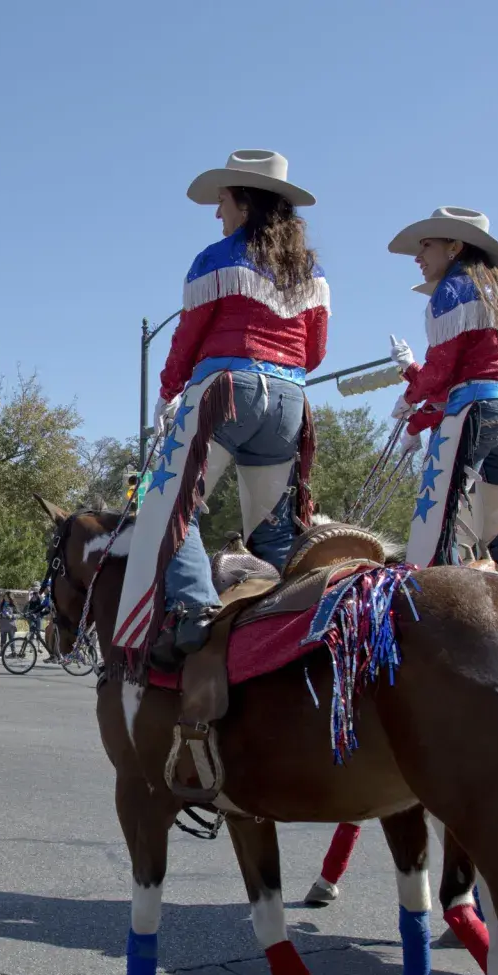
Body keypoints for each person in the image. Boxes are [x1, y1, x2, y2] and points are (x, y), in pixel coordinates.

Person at [128, 149, 328, 666]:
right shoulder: (308, 270)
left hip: (225, 390)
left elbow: (188, 336)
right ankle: (287, 623)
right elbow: (316, 351)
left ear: (243, 200)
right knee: (275, 528)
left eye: (222, 201)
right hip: (289, 399)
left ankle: (194, 610)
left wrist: (169, 390)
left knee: (166, 502)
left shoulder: (216, 258)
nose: (217, 214)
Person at [387, 208, 498, 575]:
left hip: (475, 410)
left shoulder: (451, 290)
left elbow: (441, 373)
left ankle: (437, 613)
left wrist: (409, 400)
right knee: (497, 527)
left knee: (437, 523)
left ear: (454, 246)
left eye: (426, 246)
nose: (418, 258)